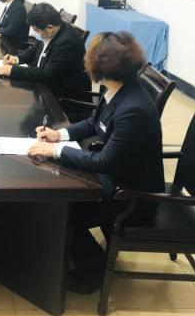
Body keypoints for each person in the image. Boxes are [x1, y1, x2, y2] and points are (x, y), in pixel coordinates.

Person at [27, 32, 164, 293]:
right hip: (119, 176)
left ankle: (93, 272)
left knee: (64, 210)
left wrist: (55, 151)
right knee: (59, 194)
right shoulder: (120, 89)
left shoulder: (133, 109)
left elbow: (105, 161)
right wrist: (59, 135)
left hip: (132, 196)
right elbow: (93, 123)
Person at [0, 2, 91, 96]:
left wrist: (12, 71)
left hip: (62, 96)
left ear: (50, 28)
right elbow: (33, 51)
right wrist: (16, 59)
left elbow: (47, 74)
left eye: (37, 30)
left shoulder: (66, 42)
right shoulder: (51, 30)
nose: (35, 33)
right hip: (44, 85)